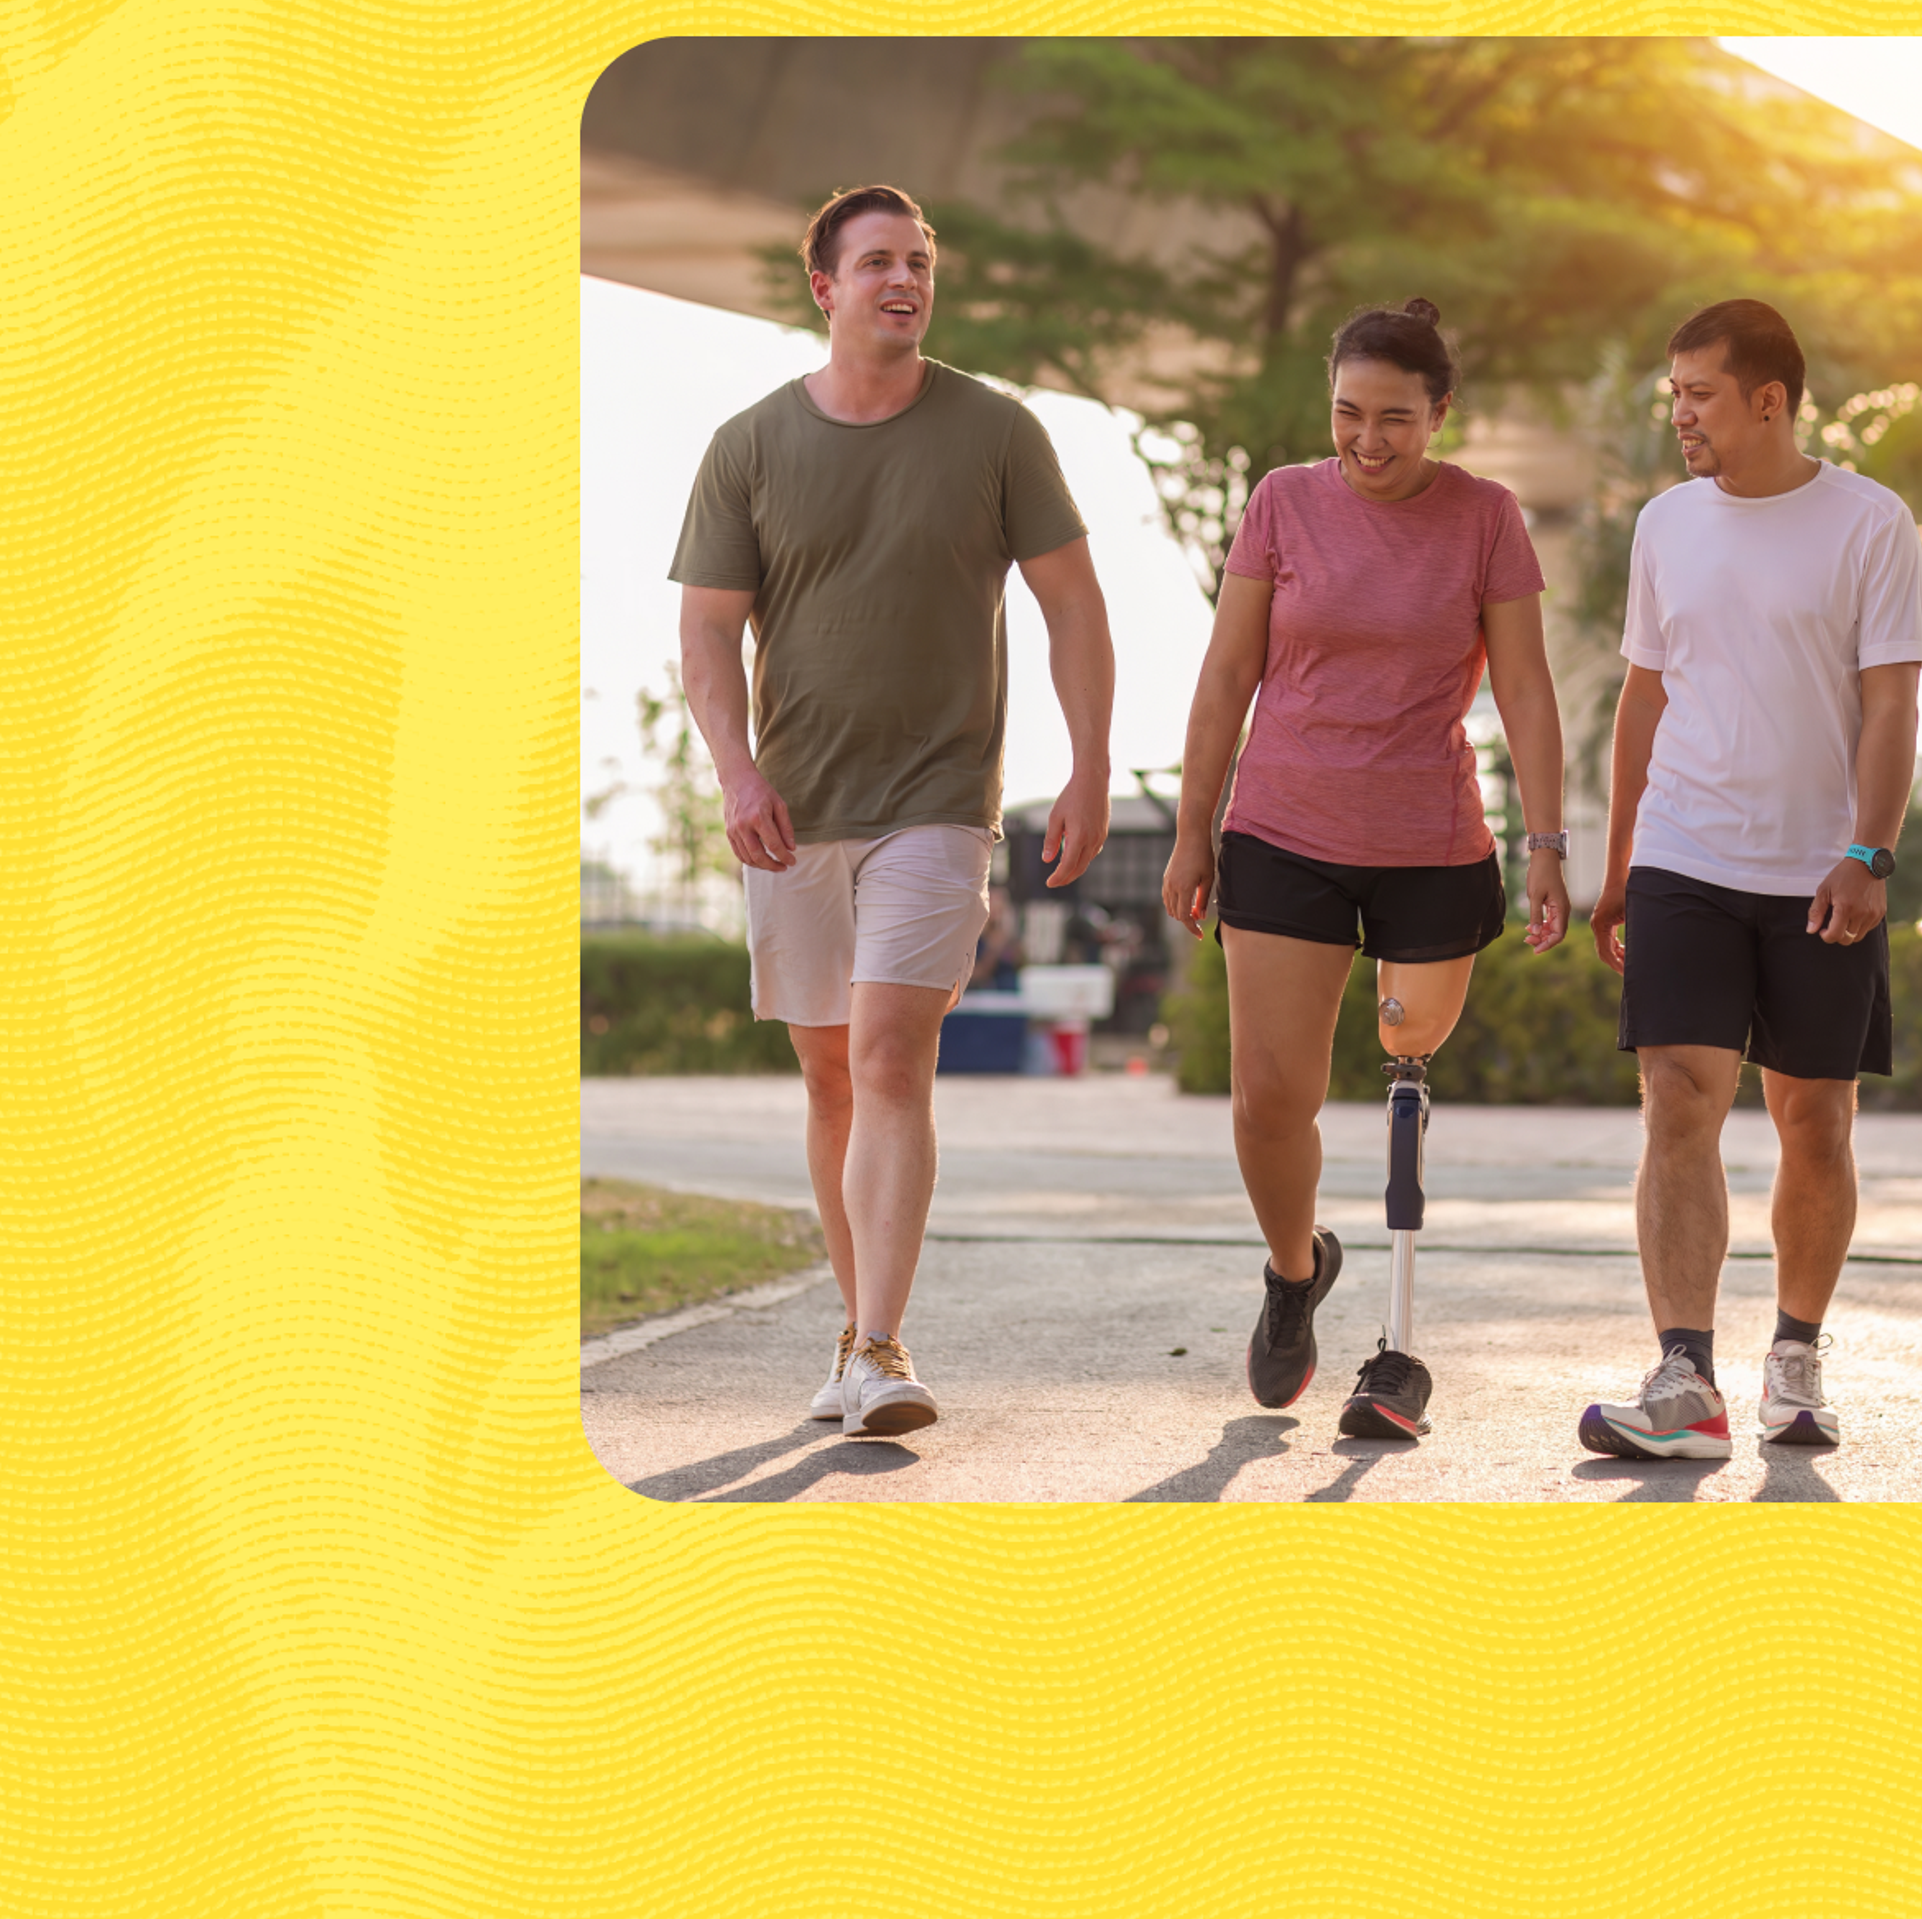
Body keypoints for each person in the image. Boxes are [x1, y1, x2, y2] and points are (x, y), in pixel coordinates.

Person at [673, 184, 1116, 1439]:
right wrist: (735, 770)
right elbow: (705, 633)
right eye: (877, 263)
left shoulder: (997, 432)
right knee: (829, 1078)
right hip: (794, 806)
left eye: (918, 262)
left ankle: (878, 1343)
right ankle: (854, 1332)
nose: (904, 280)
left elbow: (1073, 606)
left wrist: (1087, 766)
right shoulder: (749, 445)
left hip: (938, 795)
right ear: (824, 288)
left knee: (885, 1057)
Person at [1161, 299, 1570, 1439]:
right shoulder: (1282, 502)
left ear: (1441, 414)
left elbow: (1525, 686)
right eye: (1348, 413)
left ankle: (1395, 1355)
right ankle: (1295, 1272)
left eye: (1395, 418)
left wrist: (1546, 844)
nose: (1367, 440)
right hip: (1282, 830)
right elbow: (1227, 672)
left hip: (1429, 844)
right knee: (1268, 1100)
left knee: (1405, 1062)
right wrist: (1194, 827)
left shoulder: (1485, 517)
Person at [1583, 298, 1922, 1458]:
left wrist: (1868, 853)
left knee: (1813, 1120)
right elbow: (1644, 696)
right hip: (1684, 853)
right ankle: (1685, 1380)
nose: (1679, 415)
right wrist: (1619, 861)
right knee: (1678, 1098)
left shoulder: (1868, 523)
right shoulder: (1665, 525)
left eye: (1700, 395)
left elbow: (1892, 704)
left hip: (1819, 869)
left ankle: (1794, 1357)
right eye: (1673, 394)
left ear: (1769, 401)